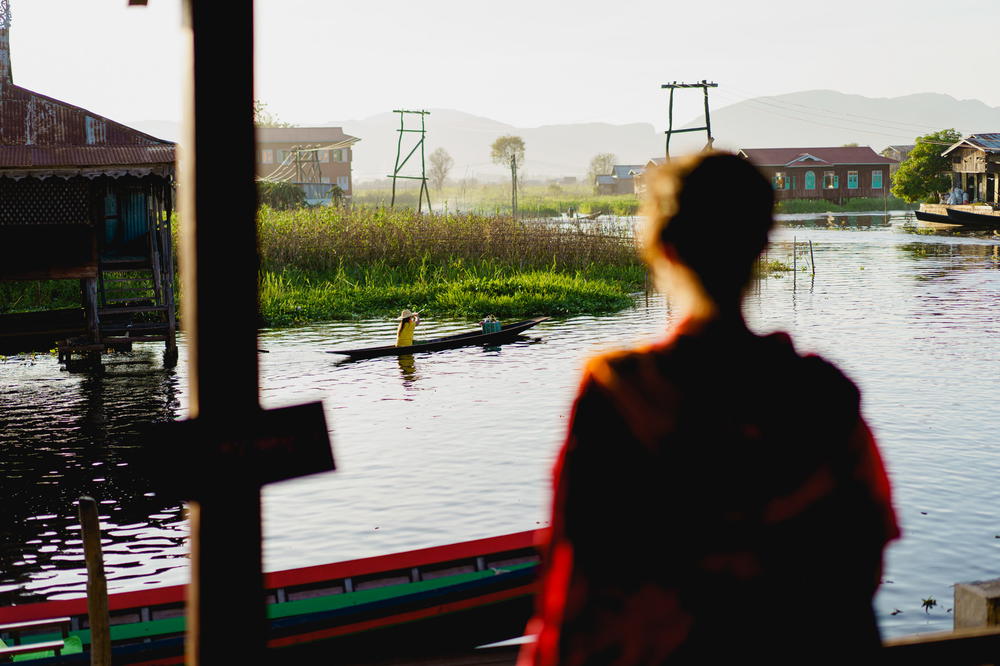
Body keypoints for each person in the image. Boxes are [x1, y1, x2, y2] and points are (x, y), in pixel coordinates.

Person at [519, 152, 899, 665]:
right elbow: (860, 557)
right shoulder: (822, 395)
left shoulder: (620, 392)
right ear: (762, 244)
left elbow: (578, 580)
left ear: (662, 248)